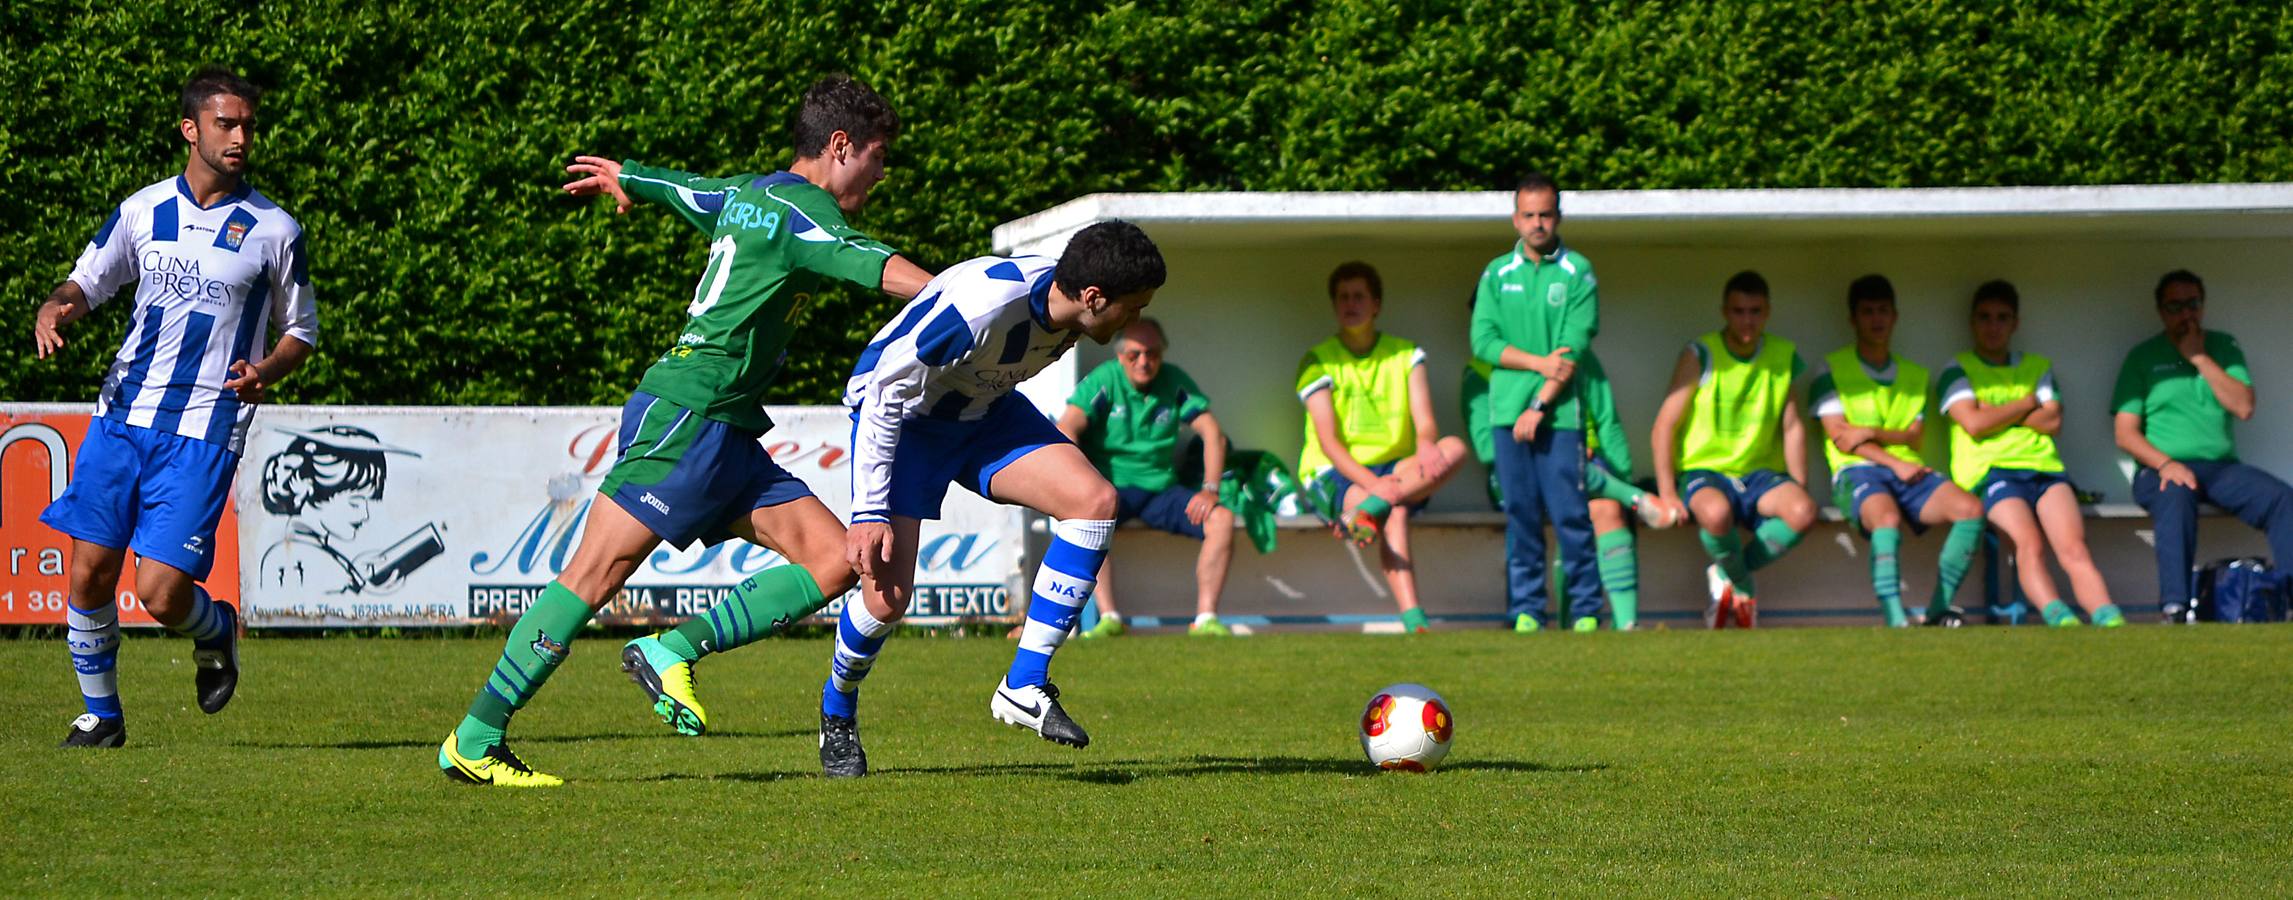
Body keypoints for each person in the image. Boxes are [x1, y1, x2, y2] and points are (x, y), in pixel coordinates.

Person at [438, 75, 936, 786]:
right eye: (878, 156)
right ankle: (475, 738)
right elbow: (871, 264)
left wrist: (630, 177)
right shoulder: (804, 212)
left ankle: (671, 651)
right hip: (686, 415)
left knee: (834, 561)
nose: (882, 174)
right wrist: (966, 296)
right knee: (593, 575)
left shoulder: (749, 194)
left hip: (723, 428)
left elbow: (687, 191)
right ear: (840, 146)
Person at [33, 67, 319, 748]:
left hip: (205, 429)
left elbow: (301, 330)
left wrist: (267, 370)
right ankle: (102, 716)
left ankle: (213, 629)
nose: (241, 136)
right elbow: (88, 280)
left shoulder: (275, 228)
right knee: (90, 571)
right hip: (123, 416)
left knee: (159, 593)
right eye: (227, 123)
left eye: (248, 124)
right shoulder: (144, 210)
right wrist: (56, 306)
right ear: (190, 129)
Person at [826, 220, 1166, 777]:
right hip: (906, 421)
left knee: (1094, 500)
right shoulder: (982, 310)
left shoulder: (1072, 310)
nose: (1136, 321)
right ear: (1094, 297)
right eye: (1132, 308)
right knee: (886, 601)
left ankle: (1024, 684)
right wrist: (867, 512)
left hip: (985, 413)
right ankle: (837, 712)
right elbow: (883, 389)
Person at [1938, 280, 2124, 628]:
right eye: (1985, 318)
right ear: (1972, 323)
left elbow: (2052, 420)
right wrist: (2026, 404)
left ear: (2015, 324)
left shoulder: (2036, 366)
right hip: (1991, 473)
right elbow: (1975, 424)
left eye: (2002, 318)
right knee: (2029, 543)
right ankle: (2060, 618)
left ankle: (2108, 618)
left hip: (2045, 469)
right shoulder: (1958, 369)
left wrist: (1996, 411)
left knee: (2073, 548)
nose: (1993, 326)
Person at [1298, 262, 1470, 634]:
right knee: (1392, 510)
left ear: (1376, 304)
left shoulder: (1406, 354)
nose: (1350, 304)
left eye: (1358, 296)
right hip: (1336, 473)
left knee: (1452, 447)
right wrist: (1376, 489)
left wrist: (1426, 446)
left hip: (1396, 472)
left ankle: (1369, 512)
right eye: (1343, 297)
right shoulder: (1317, 360)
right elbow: (1328, 443)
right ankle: (1414, 618)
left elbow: (1425, 421)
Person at [2112, 269, 2293, 622]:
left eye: (2192, 304)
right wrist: (2166, 464)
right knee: (2176, 495)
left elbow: (2243, 406)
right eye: (2175, 306)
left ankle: (2287, 597)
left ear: (2203, 306)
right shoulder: (2142, 357)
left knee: (2282, 499)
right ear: (2162, 312)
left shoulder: (2223, 347)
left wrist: (2198, 357)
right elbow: (2125, 433)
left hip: (2221, 469)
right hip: (2160, 468)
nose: (2186, 314)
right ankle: (2175, 607)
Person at [1809, 275, 1987, 627]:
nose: (1877, 319)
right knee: (1886, 519)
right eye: (1868, 312)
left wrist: (1871, 431)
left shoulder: (1914, 374)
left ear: (1895, 316)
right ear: (1853, 319)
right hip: (1855, 472)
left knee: (1970, 509)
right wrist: (1893, 455)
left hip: (1907, 469)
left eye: (1883, 311)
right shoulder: (1830, 368)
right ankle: (1895, 619)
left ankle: (1938, 609)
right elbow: (1841, 438)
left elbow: (1915, 437)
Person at [1470, 173, 1601, 633]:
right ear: (1515, 218)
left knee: (1570, 515)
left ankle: (1585, 611)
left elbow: (1573, 348)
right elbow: (1483, 341)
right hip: (1506, 414)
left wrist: (1539, 406)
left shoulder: (1578, 271)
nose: (1538, 223)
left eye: (1546, 214)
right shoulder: (1495, 273)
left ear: (1558, 216)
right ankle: (1526, 611)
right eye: (1529, 215)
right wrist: (1537, 364)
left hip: (1559, 416)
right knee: (1520, 514)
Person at [1651, 271, 1816, 629]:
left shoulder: (1781, 354)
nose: (1747, 320)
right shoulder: (1700, 353)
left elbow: (1792, 426)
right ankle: (1742, 585)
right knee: (1715, 514)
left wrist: (1799, 481)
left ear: (1767, 312)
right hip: (1704, 470)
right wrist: (1666, 493)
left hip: (1759, 474)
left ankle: (1727, 572)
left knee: (1803, 512)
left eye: (1755, 311)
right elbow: (1665, 424)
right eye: (1739, 311)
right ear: (1725, 311)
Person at [1059, 318, 1236, 638]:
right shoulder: (1104, 380)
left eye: (1152, 354)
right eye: (1134, 354)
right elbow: (1067, 428)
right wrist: (1079, 483)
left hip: (1161, 491)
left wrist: (1210, 490)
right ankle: (1110, 618)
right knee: (1087, 515)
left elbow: (1213, 434)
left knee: (1221, 519)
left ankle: (1206, 619)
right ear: (1121, 354)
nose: (1144, 362)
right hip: (1112, 490)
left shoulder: (1174, 381)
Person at [1574, 350, 1680, 631]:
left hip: (1592, 473)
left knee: (1607, 509)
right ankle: (1634, 497)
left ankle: (1626, 625)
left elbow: (1608, 422)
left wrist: (1622, 473)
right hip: (1528, 473)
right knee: (1564, 464)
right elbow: (1491, 446)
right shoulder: (1495, 368)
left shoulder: (1580, 356)